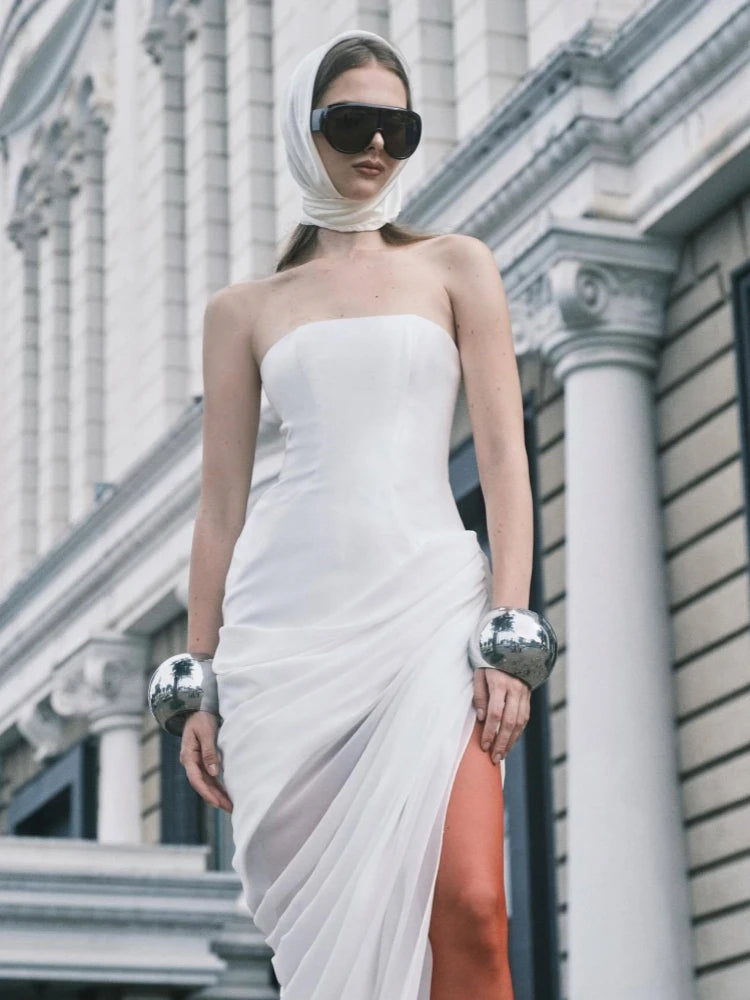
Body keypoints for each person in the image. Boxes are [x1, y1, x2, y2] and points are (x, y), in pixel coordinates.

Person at [176, 27, 539, 1000]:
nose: (377, 146)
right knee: (342, 944)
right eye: (352, 123)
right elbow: (219, 508)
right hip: (289, 641)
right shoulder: (244, 308)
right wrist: (196, 679)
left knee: (471, 905)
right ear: (306, 131)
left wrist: (511, 631)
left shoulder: (458, 267)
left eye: (398, 125)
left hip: (429, 612)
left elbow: (503, 459)